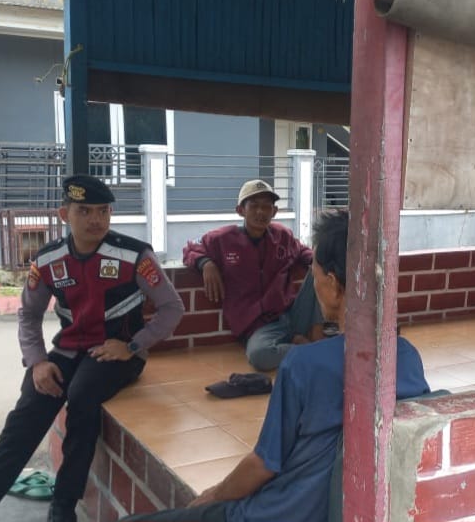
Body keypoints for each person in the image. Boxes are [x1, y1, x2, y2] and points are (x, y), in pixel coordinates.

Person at [122, 209, 431, 522]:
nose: (313, 281)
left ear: (333, 285)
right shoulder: (407, 357)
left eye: (315, 275)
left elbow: (263, 464)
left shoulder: (303, 365)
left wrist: (212, 495)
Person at [0, 175, 184, 522]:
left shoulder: (133, 254)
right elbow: (29, 314)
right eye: (85, 211)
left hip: (115, 354)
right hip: (68, 351)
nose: (96, 219)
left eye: (103, 211)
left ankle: (63, 508)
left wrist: (132, 346)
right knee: (27, 411)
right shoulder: (50, 259)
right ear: (65, 214)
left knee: (82, 397)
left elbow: (172, 308)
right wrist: (37, 362)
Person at [182, 179, 321, 371]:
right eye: (254, 206)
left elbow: (303, 252)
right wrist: (205, 263)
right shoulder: (223, 239)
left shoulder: (283, 236)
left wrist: (318, 261)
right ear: (240, 210)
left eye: (266, 206)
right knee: (260, 356)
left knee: (321, 267)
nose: (260, 212)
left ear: (274, 211)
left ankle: (313, 338)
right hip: (259, 325)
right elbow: (190, 248)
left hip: (292, 312)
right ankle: (313, 350)